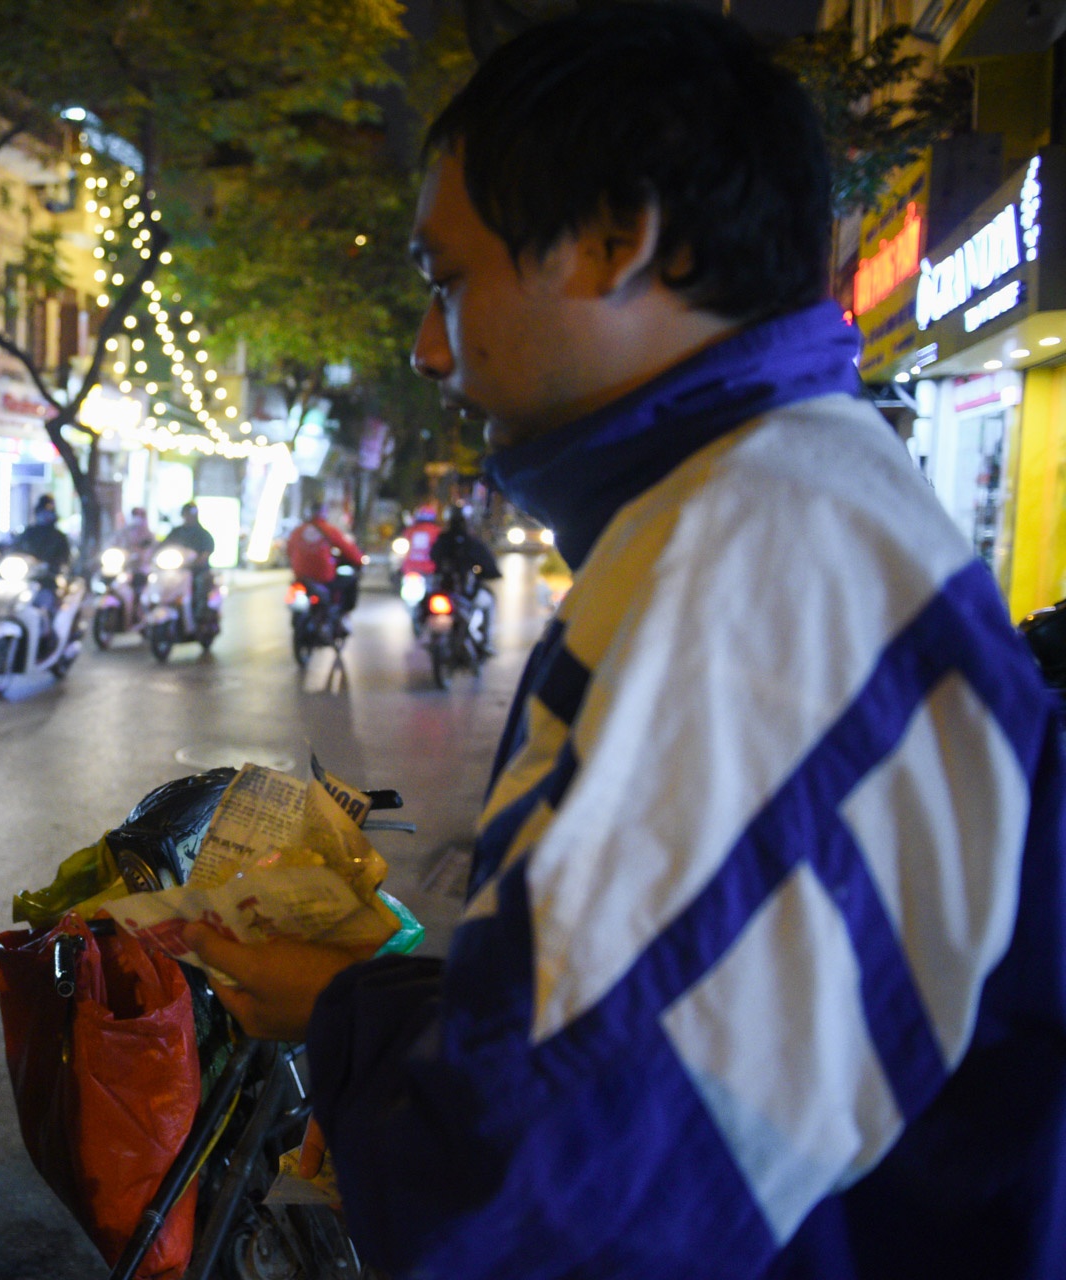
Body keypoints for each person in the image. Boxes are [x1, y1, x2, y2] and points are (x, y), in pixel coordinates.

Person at [184, 7, 1066, 1278]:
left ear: (617, 241)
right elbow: (677, 1034)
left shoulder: (750, 575)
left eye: (448, 280)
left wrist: (344, 1012)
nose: (428, 347)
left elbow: (533, 1200)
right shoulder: (787, 498)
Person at [429, 508, 501, 654]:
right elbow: (490, 566)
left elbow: (432, 560)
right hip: (465, 595)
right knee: (489, 601)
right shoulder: (473, 543)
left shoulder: (442, 541)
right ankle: (486, 642)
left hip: (446, 592)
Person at [287, 502, 365, 615]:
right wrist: (359, 560)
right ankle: (340, 612)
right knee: (350, 580)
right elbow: (349, 550)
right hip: (323, 576)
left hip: (300, 576)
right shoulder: (329, 530)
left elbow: (289, 551)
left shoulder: (297, 531)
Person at [160, 501, 219, 617]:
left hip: (197, 571)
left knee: (200, 585)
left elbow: (206, 552)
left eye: (191, 514)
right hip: (177, 570)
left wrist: (197, 561)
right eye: (186, 513)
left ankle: (198, 615)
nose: (188, 517)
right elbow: (162, 546)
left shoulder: (203, 534)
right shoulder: (176, 532)